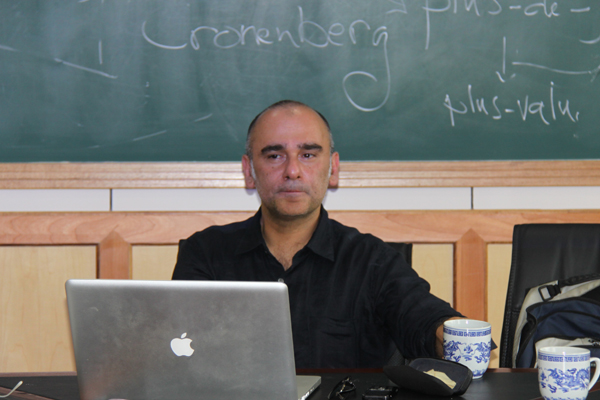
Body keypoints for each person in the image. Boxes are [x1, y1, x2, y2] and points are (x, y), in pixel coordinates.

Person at [172, 100, 462, 368]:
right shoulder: (205, 254)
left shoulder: (373, 261)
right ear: (249, 171)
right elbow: (174, 349)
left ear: (333, 168)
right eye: (275, 155)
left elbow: (422, 319)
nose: (293, 171)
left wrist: (458, 339)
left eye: (308, 155)